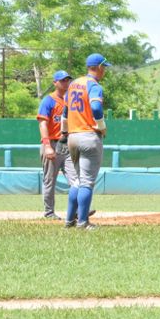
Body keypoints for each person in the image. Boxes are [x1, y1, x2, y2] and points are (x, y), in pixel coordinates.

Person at [61, 53, 110, 230]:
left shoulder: (73, 85)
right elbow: (96, 107)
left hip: (72, 136)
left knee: (76, 181)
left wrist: (64, 133)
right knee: (87, 182)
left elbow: (65, 114)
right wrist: (102, 126)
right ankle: (83, 222)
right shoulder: (93, 85)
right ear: (97, 67)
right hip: (89, 135)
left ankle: (69, 221)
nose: (105, 70)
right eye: (104, 67)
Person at [37, 70, 76, 219]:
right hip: (52, 143)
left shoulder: (71, 100)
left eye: (68, 80)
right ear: (55, 83)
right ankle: (49, 213)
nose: (66, 82)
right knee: (49, 180)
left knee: (76, 178)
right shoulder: (48, 100)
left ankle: (78, 211)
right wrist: (47, 146)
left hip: (67, 145)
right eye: (63, 80)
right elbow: (43, 124)